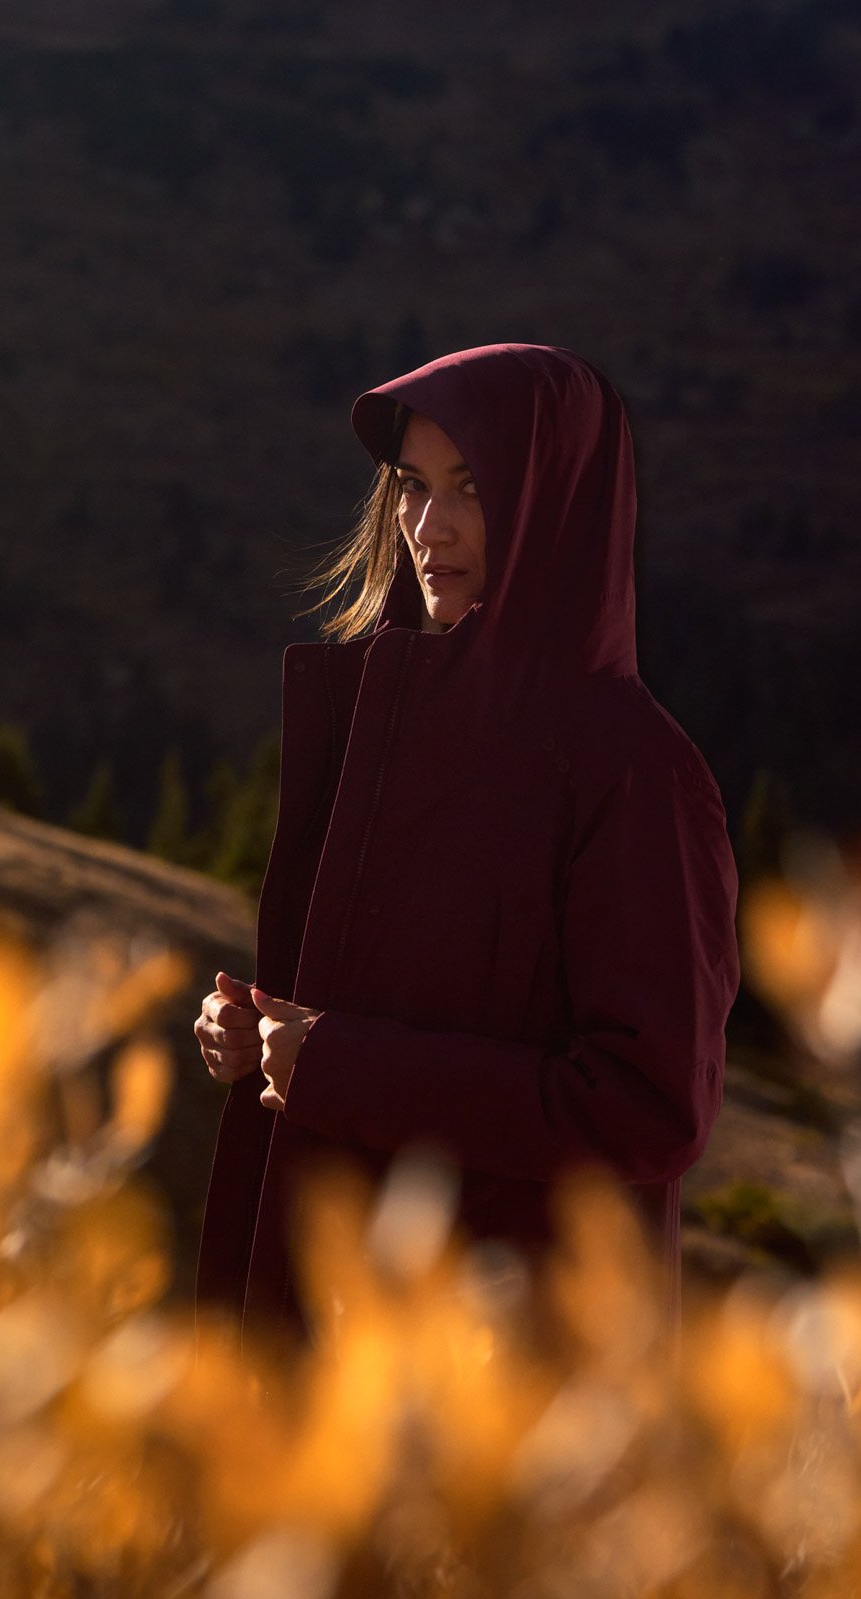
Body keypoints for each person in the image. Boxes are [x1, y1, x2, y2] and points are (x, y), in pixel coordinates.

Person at [193, 342, 741, 1345]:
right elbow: (400, 1013)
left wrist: (341, 1067)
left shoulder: (635, 773)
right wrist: (264, 1038)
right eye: (411, 485)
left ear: (559, 504)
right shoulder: (392, 723)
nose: (427, 527)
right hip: (355, 1333)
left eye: (473, 489)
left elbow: (649, 1110)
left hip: (522, 1369)